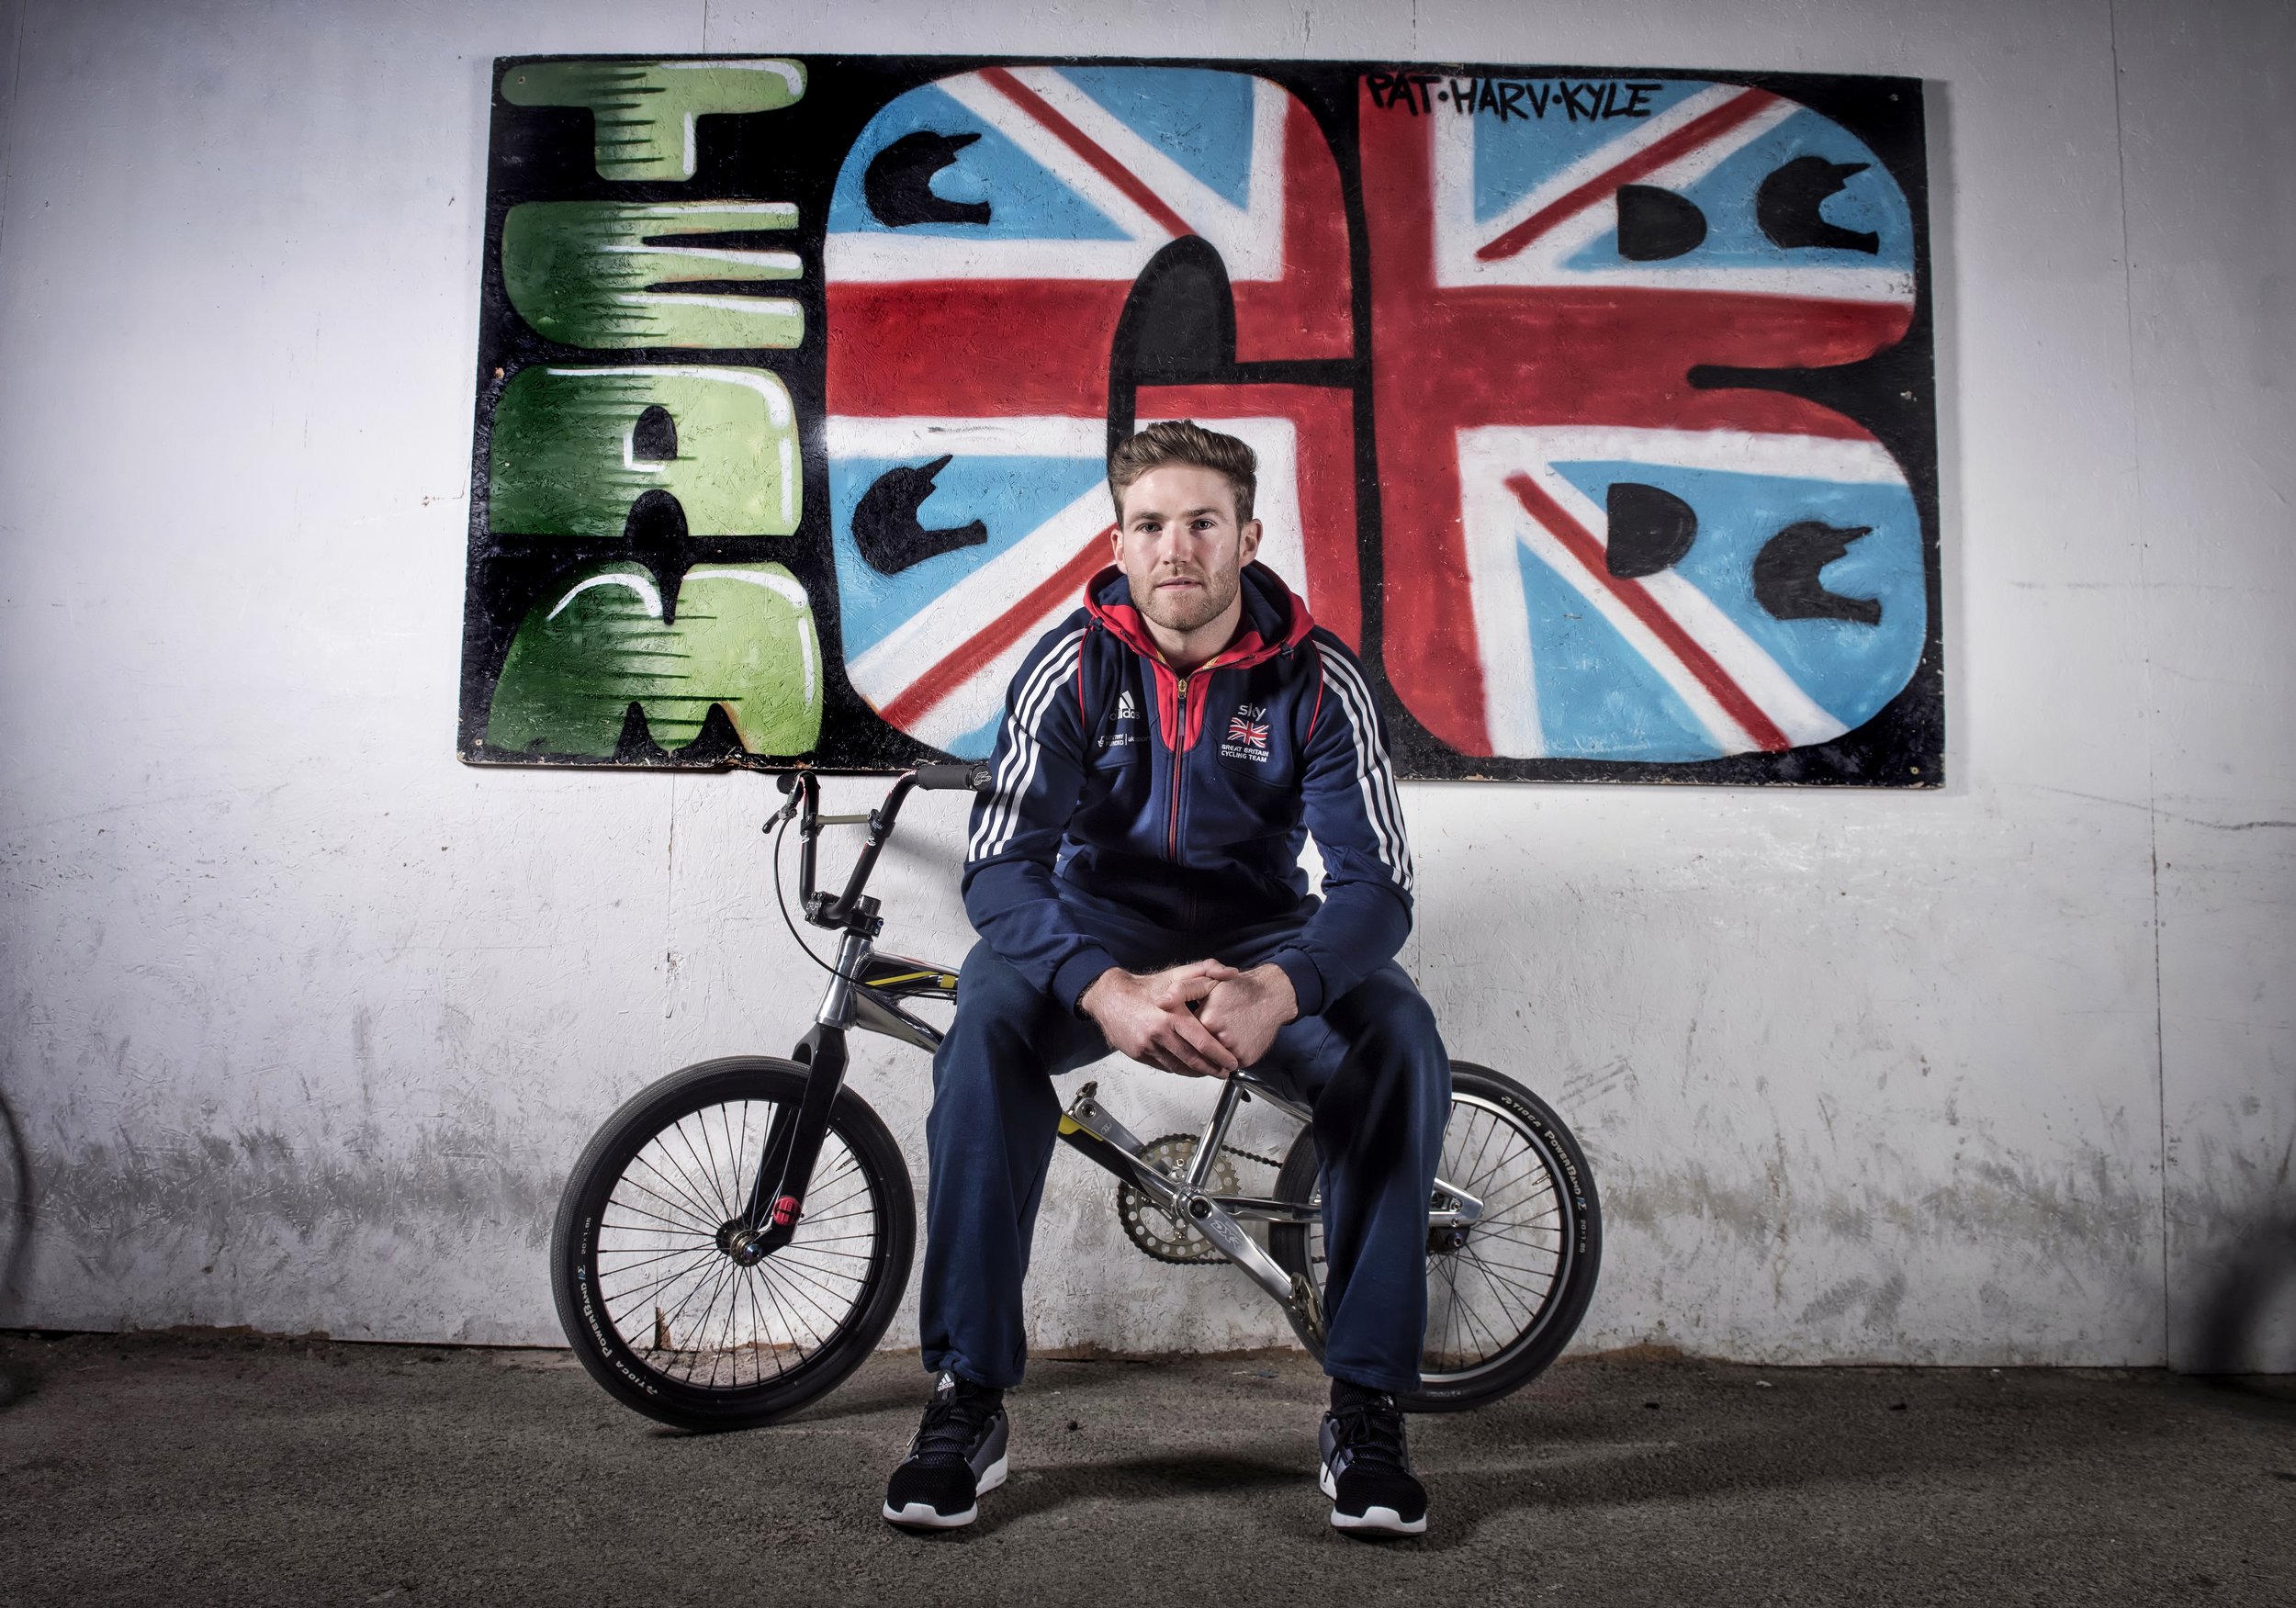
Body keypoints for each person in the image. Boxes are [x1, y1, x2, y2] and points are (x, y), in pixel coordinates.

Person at [881, 421, 1450, 1538]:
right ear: (1120, 541)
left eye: (1200, 522)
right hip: (1098, 934)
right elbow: (1001, 866)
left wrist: (1281, 987)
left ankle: (1367, 1409)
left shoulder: (1318, 680)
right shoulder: (1071, 662)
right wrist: (1102, 987)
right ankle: (965, 1398)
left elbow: (1375, 887)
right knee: (986, 1024)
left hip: (1261, 940)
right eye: (1150, 524)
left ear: (1248, 534)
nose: (1175, 547)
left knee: (1400, 1038)